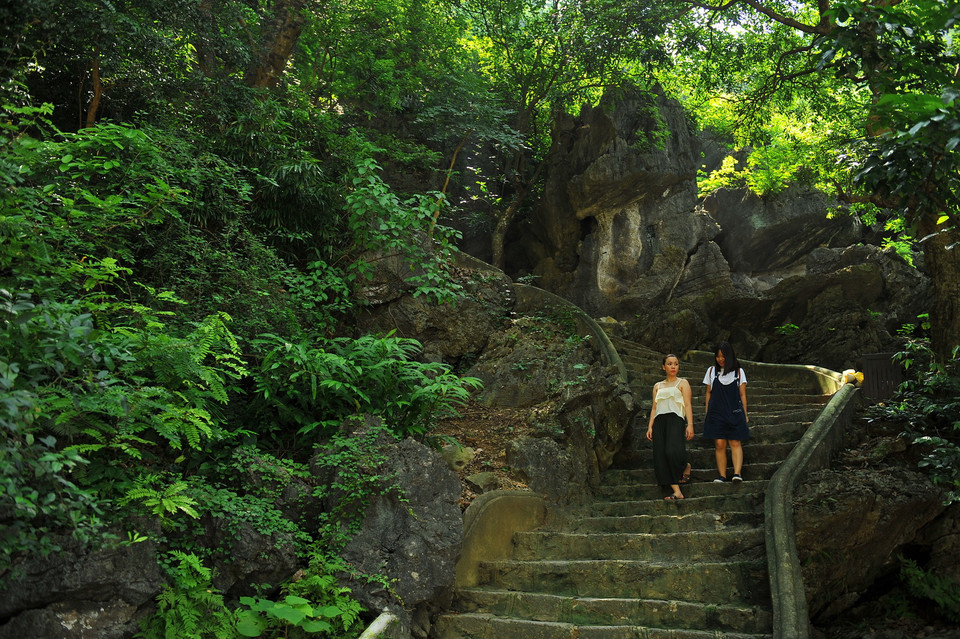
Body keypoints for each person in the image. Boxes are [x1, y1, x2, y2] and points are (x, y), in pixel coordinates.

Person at [646, 354, 694, 500]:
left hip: (676, 419)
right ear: (663, 367)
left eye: (676, 364)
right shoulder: (657, 386)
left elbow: (687, 405)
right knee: (660, 456)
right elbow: (654, 408)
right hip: (659, 421)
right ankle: (676, 491)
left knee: (672, 451)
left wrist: (690, 424)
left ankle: (685, 465)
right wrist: (650, 427)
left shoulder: (683, 383)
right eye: (669, 364)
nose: (673, 366)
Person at [702, 341, 750, 482]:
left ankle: (737, 473)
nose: (720, 359)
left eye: (723, 356)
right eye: (718, 356)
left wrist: (745, 414)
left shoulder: (739, 372)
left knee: (735, 442)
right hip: (716, 413)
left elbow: (742, 395)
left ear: (730, 356)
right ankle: (722, 475)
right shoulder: (711, 371)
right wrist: (707, 412)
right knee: (719, 444)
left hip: (734, 412)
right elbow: (708, 393)